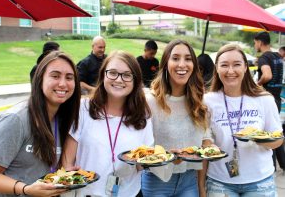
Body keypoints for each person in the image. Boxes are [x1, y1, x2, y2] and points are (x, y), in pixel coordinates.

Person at [0, 51, 81, 196]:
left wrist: (63, 175)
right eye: (55, 76)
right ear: (40, 79)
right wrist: (25, 189)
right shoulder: (15, 120)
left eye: (69, 77)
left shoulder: (62, 119)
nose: (63, 83)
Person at [62, 51, 154, 197]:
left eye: (127, 75)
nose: (119, 79)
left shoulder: (143, 115)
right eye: (113, 73)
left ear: (135, 80)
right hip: (88, 193)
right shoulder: (83, 109)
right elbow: (67, 160)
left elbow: (142, 162)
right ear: (103, 75)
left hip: (129, 193)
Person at [201, 44, 283, 197]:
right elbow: (205, 140)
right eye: (224, 65)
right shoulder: (207, 101)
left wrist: (258, 138)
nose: (230, 71)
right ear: (217, 68)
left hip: (260, 181)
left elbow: (278, 141)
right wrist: (209, 146)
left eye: (237, 64)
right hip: (220, 181)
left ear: (246, 67)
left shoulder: (264, 99)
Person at [141, 39, 210, 196]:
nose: (182, 64)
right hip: (157, 181)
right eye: (175, 58)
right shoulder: (150, 101)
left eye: (188, 59)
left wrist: (201, 186)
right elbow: (142, 147)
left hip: (189, 181)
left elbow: (205, 139)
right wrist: (168, 157)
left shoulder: (198, 101)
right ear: (165, 64)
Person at [254, 31, 285, 172]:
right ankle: (283, 164)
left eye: (255, 43)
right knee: (275, 132)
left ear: (260, 42)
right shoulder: (278, 56)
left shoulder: (264, 58)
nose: (255, 45)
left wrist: (257, 84)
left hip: (267, 99)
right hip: (277, 98)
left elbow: (267, 75)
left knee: (267, 135)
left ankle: (271, 167)